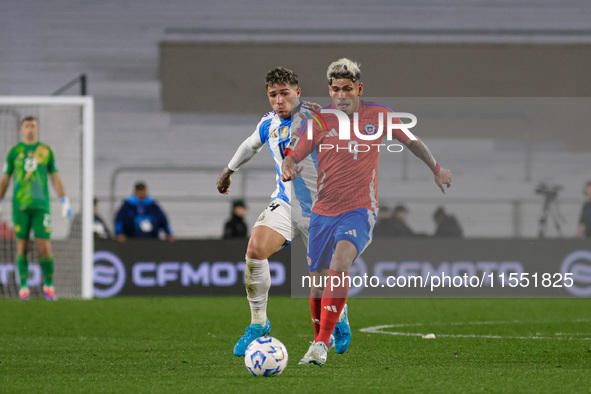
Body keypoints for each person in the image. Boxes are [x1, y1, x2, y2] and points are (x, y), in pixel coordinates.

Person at [282, 58, 452, 366]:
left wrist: (436, 168)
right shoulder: (319, 122)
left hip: (360, 209)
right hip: (323, 212)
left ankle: (320, 344)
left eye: (348, 89)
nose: (342, 96)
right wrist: (288, 166)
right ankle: (330, 328)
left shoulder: (379, 115)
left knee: (341, 260)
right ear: (329, 91)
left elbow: (412, 142)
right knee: (318, 280)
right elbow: (295, 153)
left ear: (359, 88)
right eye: (335, 90)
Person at [216, 67, 341, 357]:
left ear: (298, 92)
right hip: (285, 203)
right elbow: (250, 145)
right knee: (255, 249)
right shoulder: (269, 123)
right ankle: (259, 323)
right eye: (273, 95)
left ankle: (337, 320)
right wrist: (228, 171)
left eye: (285, 93)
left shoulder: (317, 119)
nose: (279, 100)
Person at [0, 116, 72, 301]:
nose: (30, 129)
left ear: (38, 128)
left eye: (33, 126)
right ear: (21, 129)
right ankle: (23, 288)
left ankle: (49, 285)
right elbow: (6, 179)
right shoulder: (14, 152)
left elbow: (55, 177)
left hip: (41, 206)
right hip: (20, 206)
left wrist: (64, 200)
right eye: (26, 126)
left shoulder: (45, 151)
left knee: (44, 248)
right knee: (22, 246)